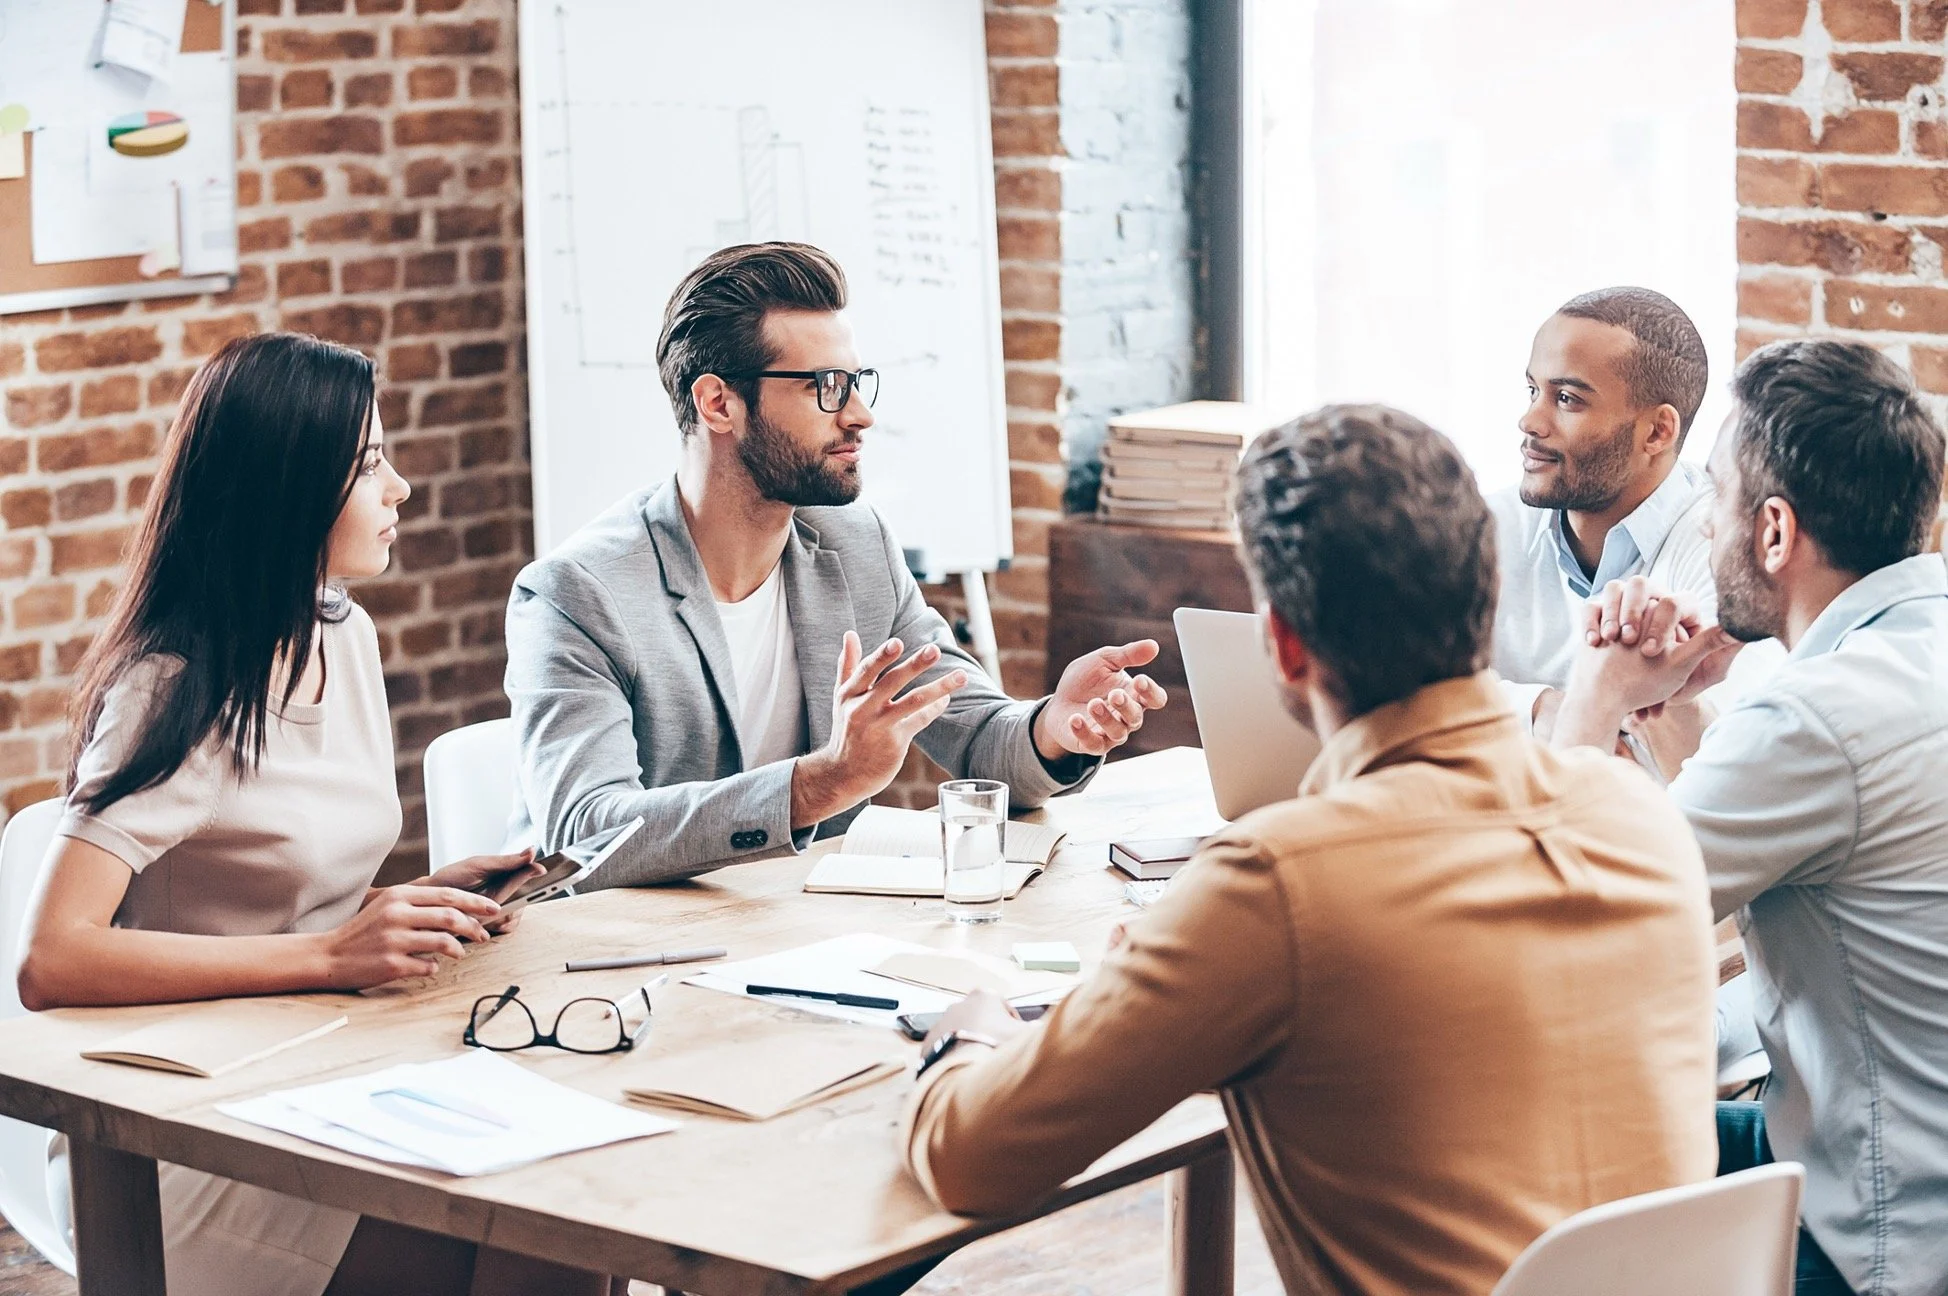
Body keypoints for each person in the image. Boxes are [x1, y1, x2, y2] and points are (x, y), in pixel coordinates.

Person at [898, 404, 1719, 1295]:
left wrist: (967, 1037)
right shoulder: (1643, 821)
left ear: (1283, 645)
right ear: (1482, 607)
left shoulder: (1280, 884)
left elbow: (968, 1159)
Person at [17, 333, 602, 1296]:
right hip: (182, 1128)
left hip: (314, 1070)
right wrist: (333, 957)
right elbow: (53, 959)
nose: (401, 487)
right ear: (287, 488)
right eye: (370, 464)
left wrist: (406, 899)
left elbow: (274, 887)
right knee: (536, 1235)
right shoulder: (173, 687)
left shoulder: (345, 633)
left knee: (572, 1204)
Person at [505, 242, 1166, 886]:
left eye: (855, 382)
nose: (860, 415)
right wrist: (826, 783)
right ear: (718, 403)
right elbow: (583, 836)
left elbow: (976, 735)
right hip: (609, 965)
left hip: (803, 941)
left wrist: (1054, 729)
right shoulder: (577, 593)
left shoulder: (855, 544)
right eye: (825, 387)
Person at [1548, 338, 1948, 1296]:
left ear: (1772, 530)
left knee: (1527, 1129)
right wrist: (1679, 710)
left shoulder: (1812, 719)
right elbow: (1763, 847)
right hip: (1899, 1148)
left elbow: (1562, 922)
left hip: (1888, 1232)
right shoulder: (1901, 660)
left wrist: (1595, 696)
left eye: (1714, 495)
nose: (1704, 524)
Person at [1492, 287, 1716, 774]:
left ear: (1657, 432)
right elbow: (1410, 699)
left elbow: (1718, 771)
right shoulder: (1484, 530)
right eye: (1533, 391)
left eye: (1567, 399)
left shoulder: (1722, 551)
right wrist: (1540, 710)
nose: (1529, 421)